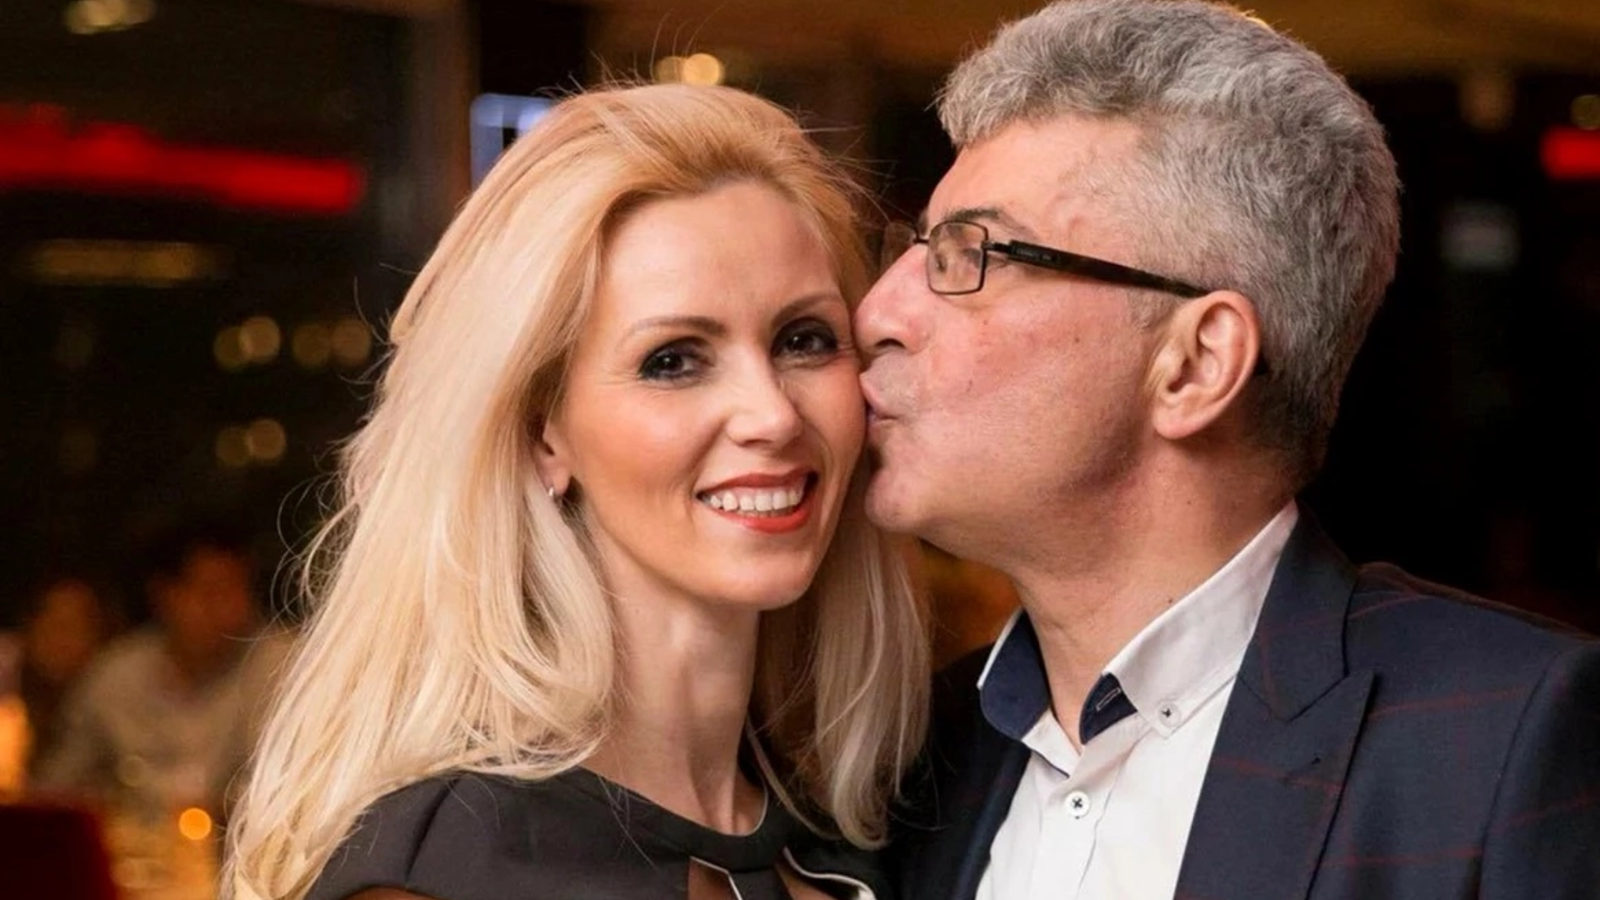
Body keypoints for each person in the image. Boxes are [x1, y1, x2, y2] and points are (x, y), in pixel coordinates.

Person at [861, 2, 1600, 899]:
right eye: (914, 249)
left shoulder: (1498, 738)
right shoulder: (921, 755)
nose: (877, 311)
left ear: (1196, 365)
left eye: (968, 254)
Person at [224, 83, 929, 900]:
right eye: (673, 360)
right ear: (541, 434)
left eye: (803, 340)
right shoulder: (442, 872)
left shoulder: (867, 833)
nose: (772, 414)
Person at [34, 523, 285, 825]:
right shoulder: (116, 678)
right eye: (211, 592)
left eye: (239, 590)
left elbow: (294, 787)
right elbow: (59, 788)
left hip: (244, 846)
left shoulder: (279, 667)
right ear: (165, 594)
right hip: (134, 848)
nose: (230, 608)